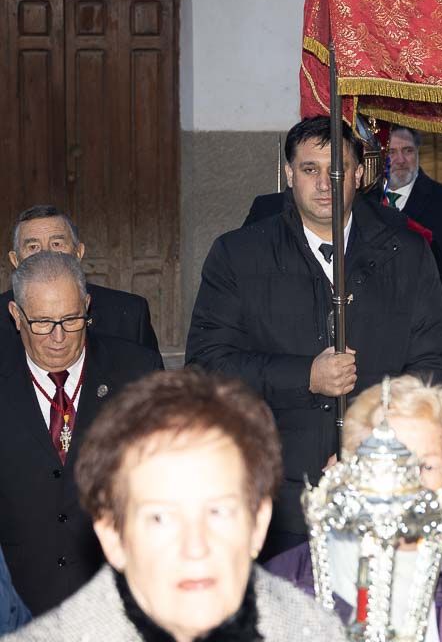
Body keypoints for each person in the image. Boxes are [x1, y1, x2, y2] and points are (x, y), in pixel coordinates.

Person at [187, 116, 442, 560]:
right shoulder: (239, 255)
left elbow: (434, 362)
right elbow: (207, 366)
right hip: (275, 492)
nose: (325, 183)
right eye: (310, 169)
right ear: (289, 175)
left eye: (337, 170)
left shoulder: (405, 253)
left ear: (359, 174)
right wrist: (304, 376)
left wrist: (372, 443)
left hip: (382, 485)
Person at [6, 369, 346, 641]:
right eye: (160, 518)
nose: (195, 548)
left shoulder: (320, 632)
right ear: (112, 535)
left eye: (219, 512)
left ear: (258, 524)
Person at [266, 376, 442, 641]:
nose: (408, 484)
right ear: (349, 472)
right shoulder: (279, 587)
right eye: (390, 462)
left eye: (426, 466)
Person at [0, 252, 161, 615]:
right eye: (42, 322)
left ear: (87, 306)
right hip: (20, 606)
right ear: (16, 315)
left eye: (72, 319)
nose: (58, 337)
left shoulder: (138, 371)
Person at [3, 205, 158, 355]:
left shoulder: (129, 314)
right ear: (15, 259)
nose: (45, 254)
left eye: (56, 244)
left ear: (79, 252)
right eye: (33, 247)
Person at [383, 125, 442, 345]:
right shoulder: (362, 203)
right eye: (391, 152)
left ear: (418, 153)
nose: (400, 160)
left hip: (431, 337)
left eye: (407, 151)